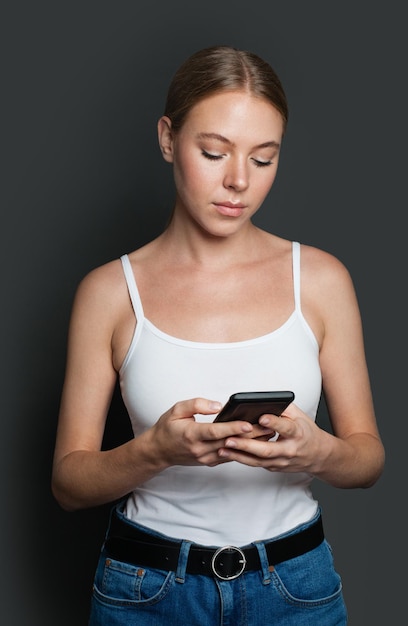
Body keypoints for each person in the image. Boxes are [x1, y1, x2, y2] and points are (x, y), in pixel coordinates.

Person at [51, 45, 385, 625]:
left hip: (295, 586)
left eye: (263, 159)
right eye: (213, 152)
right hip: (146, 590)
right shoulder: (109, 292)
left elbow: (367, 459)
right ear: (166, 139)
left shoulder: (322, 280)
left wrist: (319, 451)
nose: (237, 182)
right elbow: (69, 484)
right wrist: (152, 451)